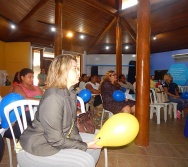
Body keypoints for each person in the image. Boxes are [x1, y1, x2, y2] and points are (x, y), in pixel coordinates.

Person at [17, 54, 102, 167]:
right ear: (61, 71)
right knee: (85, 161)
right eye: (75, 68)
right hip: (37, 147)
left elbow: (72, 126)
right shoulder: (54, 97)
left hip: (56, 139)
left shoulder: (71, 93)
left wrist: (80, 143)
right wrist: (84, 146)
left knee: (96, 142)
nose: (79, 72)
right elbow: (55, 140)